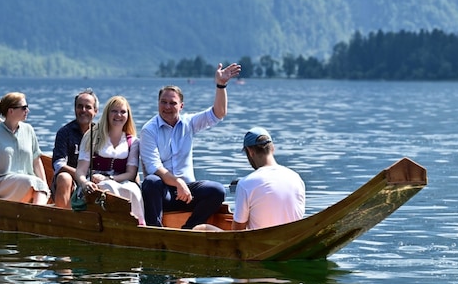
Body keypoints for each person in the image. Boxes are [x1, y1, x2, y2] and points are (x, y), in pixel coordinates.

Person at [140, 62, 242, 228]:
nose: (167, 107)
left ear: (181, 106)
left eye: (172, 103)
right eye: (163, 102)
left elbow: (218, 113)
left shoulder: (189, 123)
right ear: (158, 103)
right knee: (151, 181)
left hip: (188, 193)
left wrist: (221, 85)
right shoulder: (148, 130)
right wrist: (178, 183)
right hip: (163, 194)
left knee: (217, 190)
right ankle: (155, 230)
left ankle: (189, 229)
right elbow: (154, 167)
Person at [75, 95, 145, 225]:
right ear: (107, 113)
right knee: (107, 187)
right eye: (114, 111)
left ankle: (138, 224)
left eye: (123, 111)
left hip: (119, 180)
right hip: (94, 183)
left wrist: (109, 179)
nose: (118, 115)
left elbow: (131, 174)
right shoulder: (93, 135)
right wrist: (85, 183)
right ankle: (114, 223)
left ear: (128, 115)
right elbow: (80, 170)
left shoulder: (132, 142)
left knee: (134, 190)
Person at [0, 92, 50, 205]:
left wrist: (44, 185)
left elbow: (36, 161)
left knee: (39, 186)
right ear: (11, 111)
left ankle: (39, 214)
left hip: (28, 182)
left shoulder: (29, 130)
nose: (27, 110)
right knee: (32, 182)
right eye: (24, 108)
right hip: (1, 184)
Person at [231, 127, 306, 230]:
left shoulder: (245, 184)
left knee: (206, 228)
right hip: (292, 238)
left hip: (259, 244)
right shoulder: (296, 178)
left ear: (250, 151)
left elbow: (237, 232)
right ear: (273, 148)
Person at [51, 89, 98, 207]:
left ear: (95, 111)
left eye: (88, 107)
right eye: (80, 106)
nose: (83, 110)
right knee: (63, 177)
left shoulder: (101, 134)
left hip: (95, 181)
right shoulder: (64, 132)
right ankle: (63, 219)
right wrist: (82, 179)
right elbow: (58, 165)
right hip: (71, 182)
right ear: (75, 109)